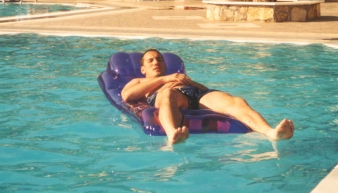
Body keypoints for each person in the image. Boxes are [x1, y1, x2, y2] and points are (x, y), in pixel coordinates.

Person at [121, 49, 295, 144]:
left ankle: (271, 132)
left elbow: (205, 89)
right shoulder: (138, 81)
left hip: (194, 93)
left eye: (159, 59)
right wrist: (165, 79)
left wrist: (189, 82)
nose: (156, 62)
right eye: (150, 60)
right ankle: (173, 135)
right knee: (168, 93)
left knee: (236, 101)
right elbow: (127, 95)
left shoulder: (177, 76)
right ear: (143, 69)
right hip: (167, 95)